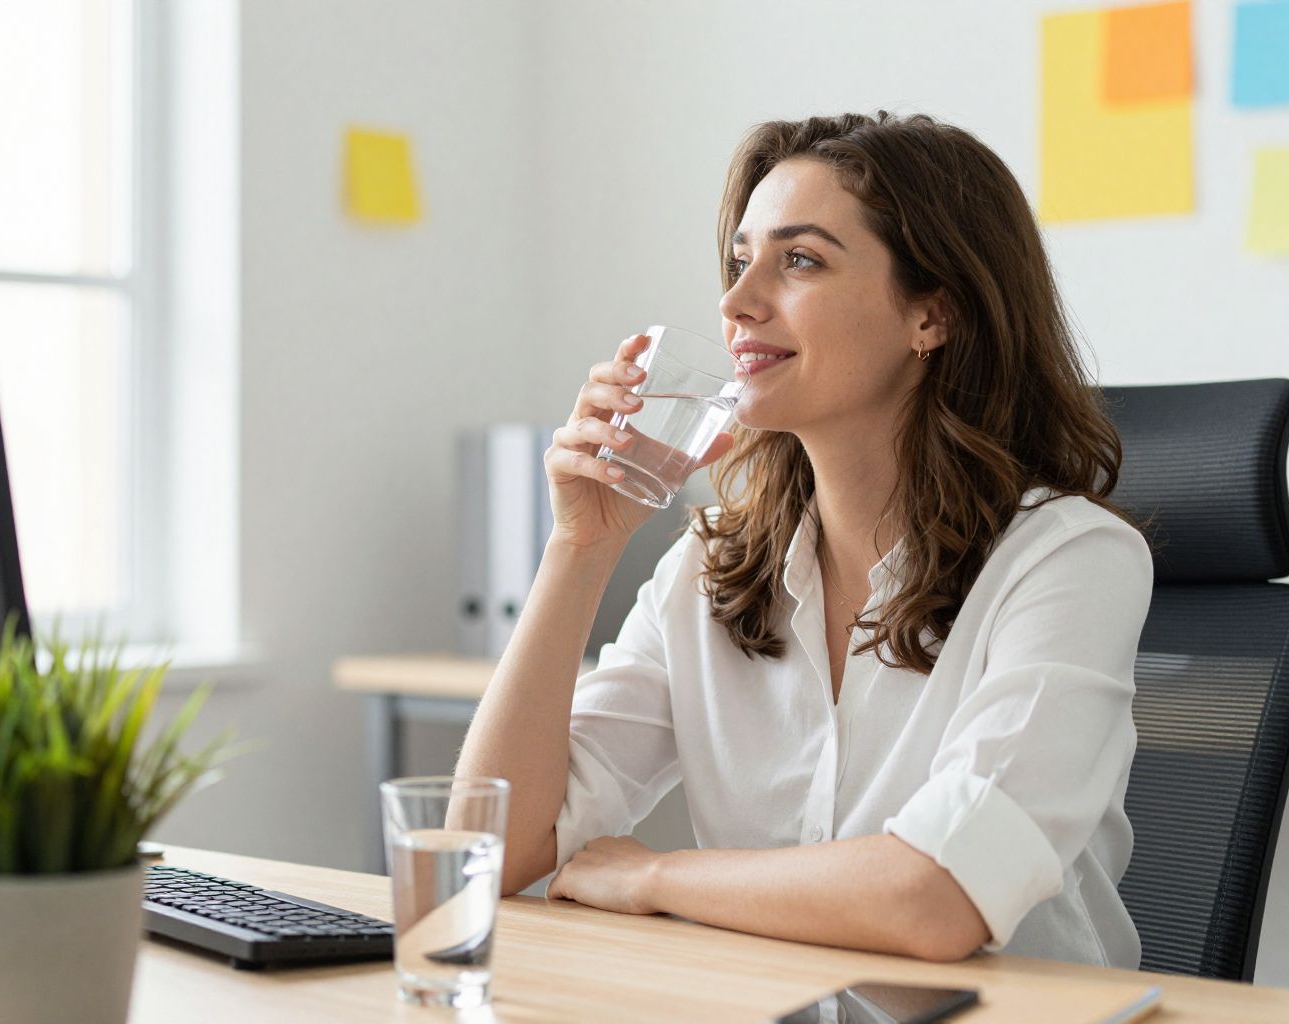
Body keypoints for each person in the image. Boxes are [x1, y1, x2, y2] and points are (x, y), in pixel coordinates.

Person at [455, 111, 1152, 967]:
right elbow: (489, 849)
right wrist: (580, 547)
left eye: (801, 261)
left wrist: (655, 878)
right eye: (740, 261)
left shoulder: (1068, 560)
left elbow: (938, 899)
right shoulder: (711, 566)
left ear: (932, 315)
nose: (736, 304)